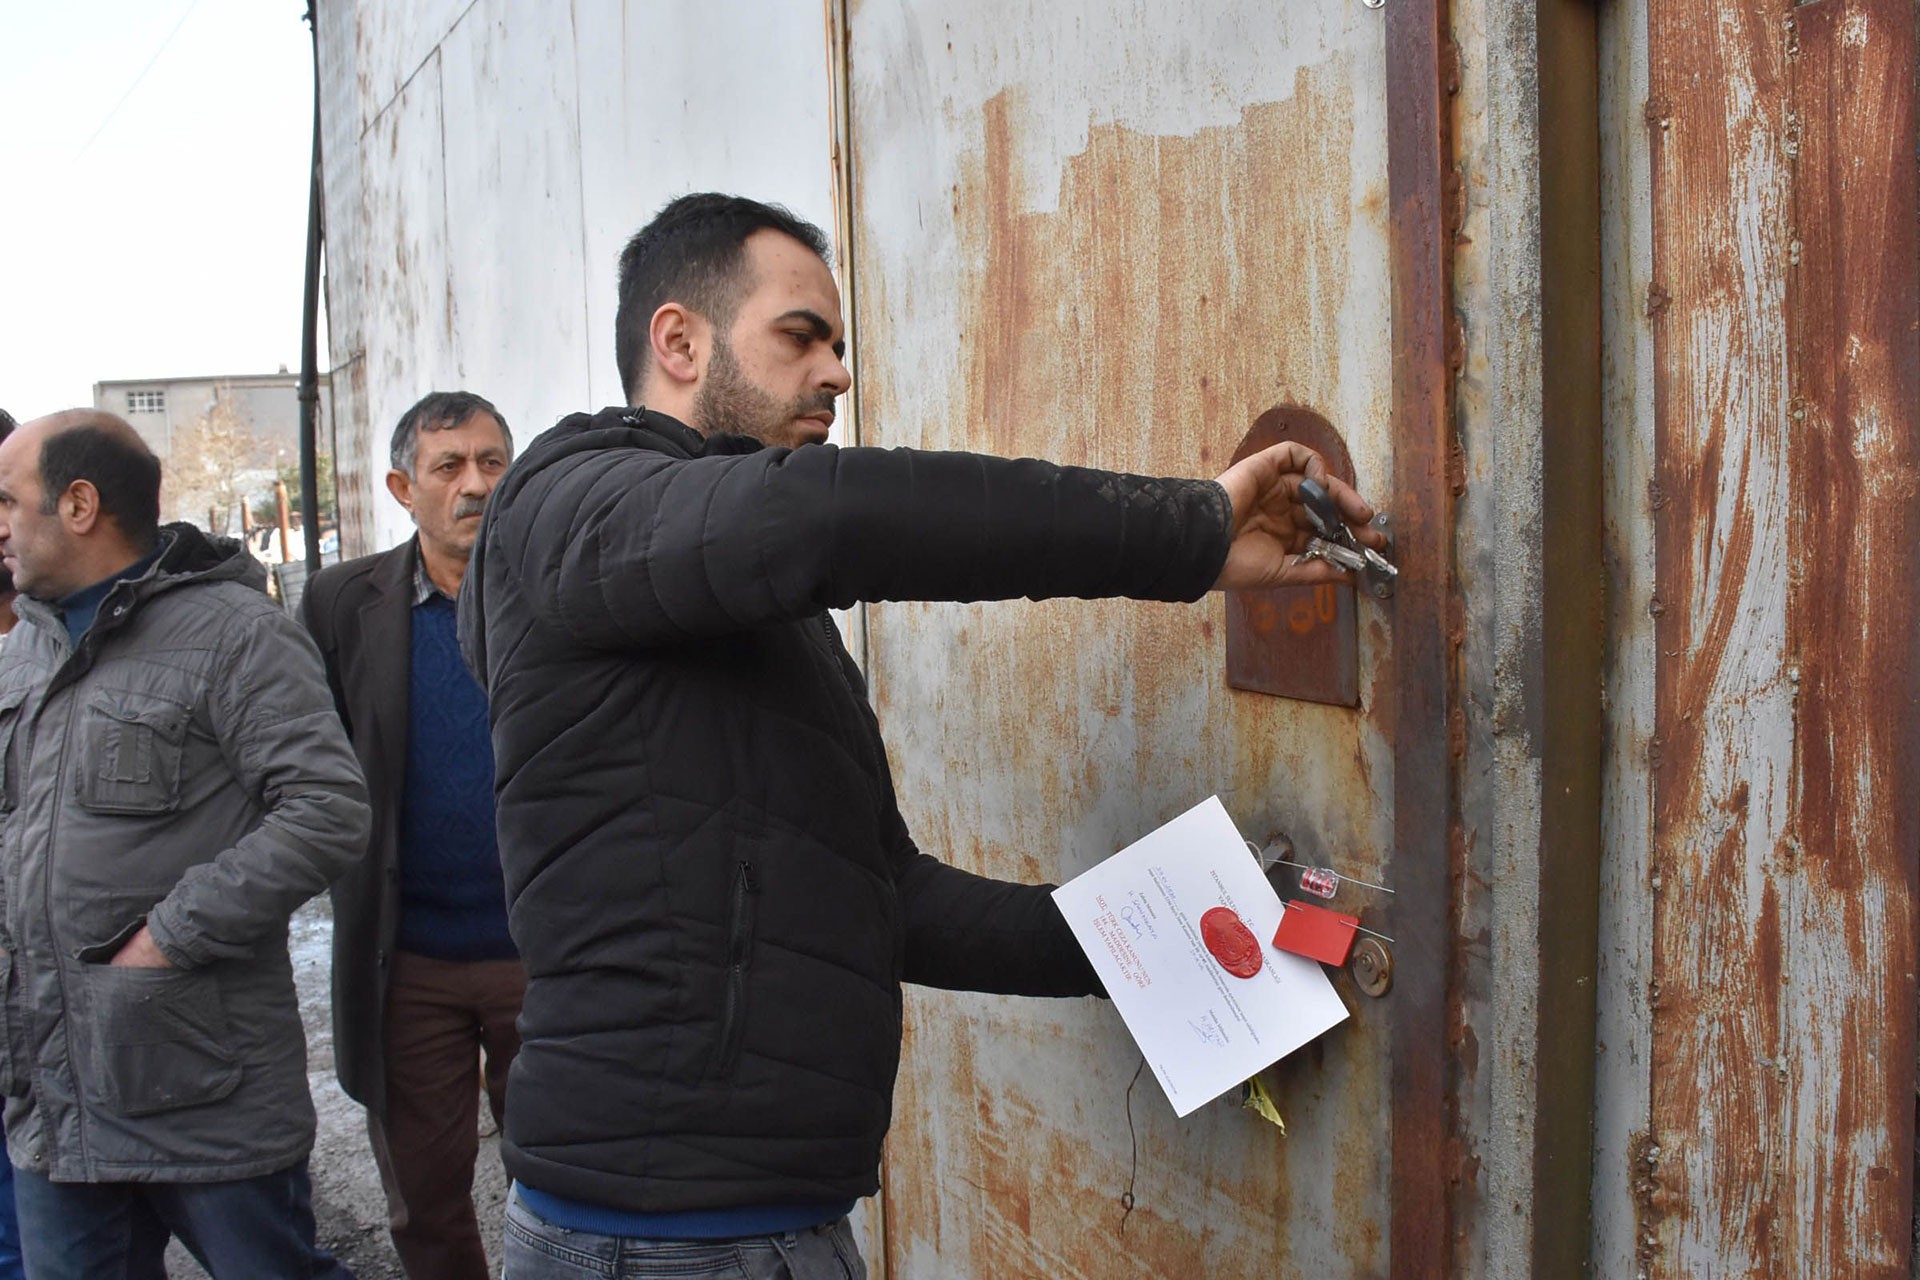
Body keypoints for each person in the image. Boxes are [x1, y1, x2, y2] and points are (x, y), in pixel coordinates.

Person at [459, 194, 1386, 1280]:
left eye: (841, 345)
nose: (839, 373)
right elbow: (826, 518)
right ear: (679, 341)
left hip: (760, 1225)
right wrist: (1187, 529)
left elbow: (887, 897)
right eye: (801, 336)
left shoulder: (734, 614)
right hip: (656, 1240)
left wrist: (1184, 934)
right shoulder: (571, 500)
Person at [0, 410, 371, 1279]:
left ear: (80, 504)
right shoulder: (24, 652)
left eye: (9, 501)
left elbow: (326, 809)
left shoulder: (233, 635)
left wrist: (169, 938)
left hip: (199, 1084)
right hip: (55, 1095)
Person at [304, 391, 522, 1280]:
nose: (475, 485)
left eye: (492, 462)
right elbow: (305, 765)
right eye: (449, 466)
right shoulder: (341, 604)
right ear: (403, 485)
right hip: (407, 962)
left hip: (544, 953)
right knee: (426, 1206)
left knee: (573, 1184)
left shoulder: (553, 595)